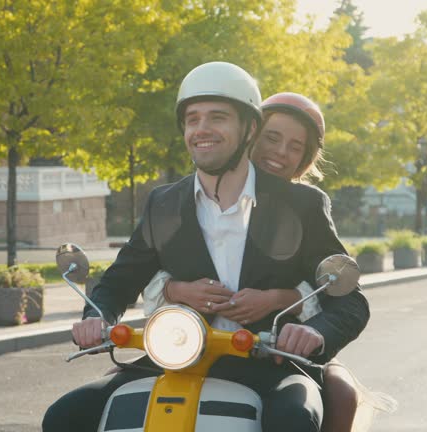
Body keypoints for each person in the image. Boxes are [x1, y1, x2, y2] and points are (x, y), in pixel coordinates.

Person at [42, 62, 370, 432]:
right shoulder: (162, 204)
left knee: (294, 419)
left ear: (249, 129)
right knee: (64, 416)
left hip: (268, 365)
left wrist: (314, 332)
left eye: (218, 117)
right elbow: (118, 282)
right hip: (177, 358)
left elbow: (349, 300)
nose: (202, 129)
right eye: (192, 118)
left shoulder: (301, 205)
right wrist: (96, 317)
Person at [142, 92, 362, 432]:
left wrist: (288, 306)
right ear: (248, 133)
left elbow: (342, 295)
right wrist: (176, 289)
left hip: (272, 359)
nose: (279, 152)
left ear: (306, 158)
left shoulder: (306, 205)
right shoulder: (174, 199)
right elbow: (137, 269)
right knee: (80, 409)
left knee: (301, 412)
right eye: (271, 138)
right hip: (182, 352)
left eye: (295, 146)